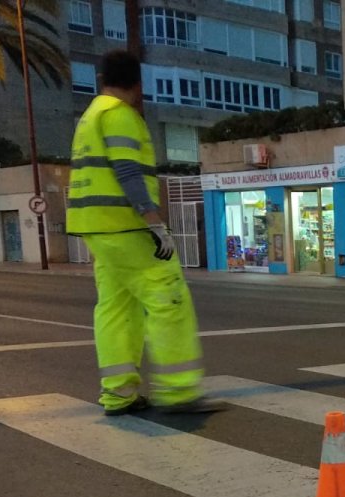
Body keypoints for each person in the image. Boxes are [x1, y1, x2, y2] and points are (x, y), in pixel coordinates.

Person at [67, 50, 224, 416]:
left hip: (96, 228)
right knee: (167, 295)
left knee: (116, 307)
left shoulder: (90, 116)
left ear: (103, 79)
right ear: (138, 85)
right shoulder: (120, 116)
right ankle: (179, 390)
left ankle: (118, 393)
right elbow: (127, 172)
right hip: (126, 225)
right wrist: (154, 222)